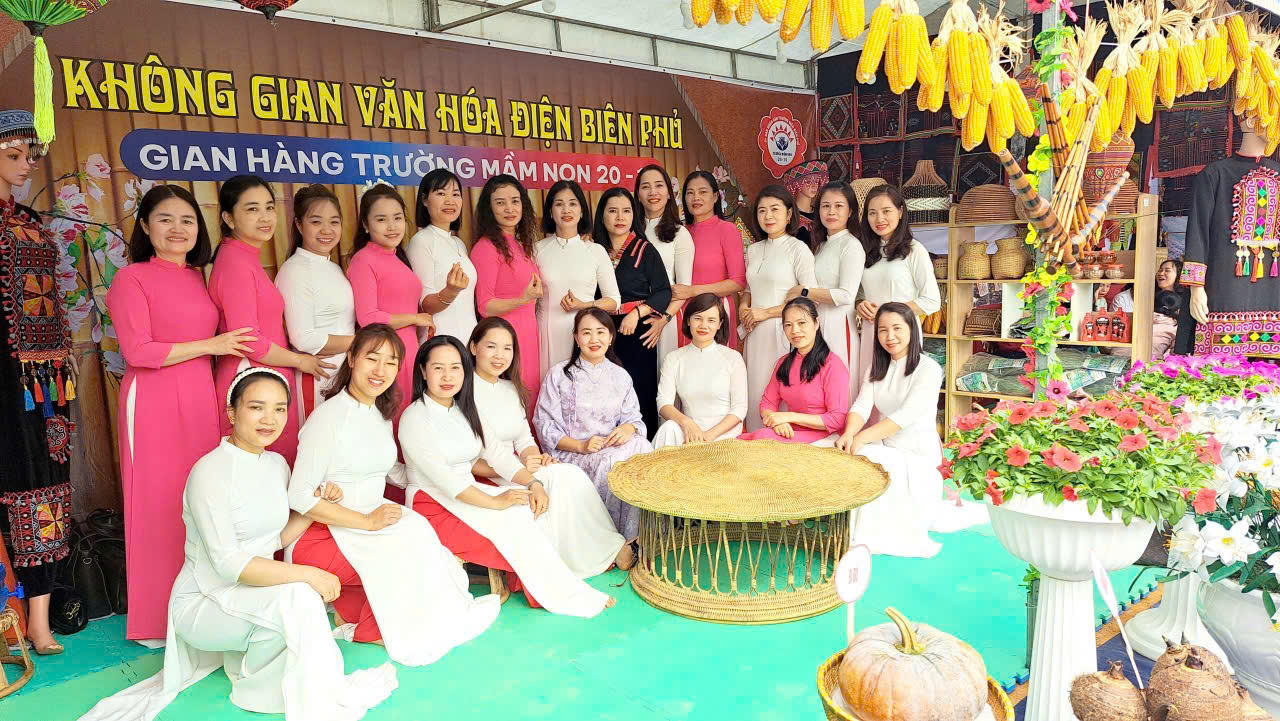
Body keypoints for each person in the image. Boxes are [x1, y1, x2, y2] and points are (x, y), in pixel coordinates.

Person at [77, 368, 397, 721]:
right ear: (232, 412)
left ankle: (269, 683)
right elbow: (228, 563)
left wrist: (316, 505)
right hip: (204, 600)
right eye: (257, 407)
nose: (269, 419)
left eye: (279, 409)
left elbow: (273, 539)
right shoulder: (209, 472)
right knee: (300, 595)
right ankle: (277, 694)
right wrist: (309, 574)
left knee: (299, 599)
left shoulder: (276, 464)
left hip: (248, 594)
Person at [288, 324, 500, 666]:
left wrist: (432, 478)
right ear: (352, 359)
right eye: (372, 358)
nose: (380, 370)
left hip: (369, 515)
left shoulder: (379, 415)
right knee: (404, 549)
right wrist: (367, 522)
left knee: (419, 532)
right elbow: (299, 496)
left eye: (390, 362)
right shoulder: (327, 419)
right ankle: (370, 628)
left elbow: (386, 470)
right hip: (324, 532)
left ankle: (378, 614)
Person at [106, 185, 249, 644]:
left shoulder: (197, 278)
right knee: (158, 504)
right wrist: (212, 345)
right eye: (165, 219)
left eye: (187, 220)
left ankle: (203, 608)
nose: (177, 229)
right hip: (152, 400)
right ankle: (155, 620)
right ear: (145, 227)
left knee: (199, 499)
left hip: (199, 398)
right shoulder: (131, 279)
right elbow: (138, 351)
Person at [400, 334, 618, 617]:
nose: (447, 376)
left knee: (530, 507)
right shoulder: (414, 418)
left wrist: (533, 482)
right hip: (433, 502)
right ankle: (556, 593)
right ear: (422, 371)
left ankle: (553, 586)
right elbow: (445, 479)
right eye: (438, 368)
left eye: (455, 367)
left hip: (466, 493)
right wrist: (496, 501)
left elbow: (499, 455)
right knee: (514, 514)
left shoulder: (465, 410)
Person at [469, 317, 633, 573]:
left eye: (507, 348)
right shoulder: (463, 391)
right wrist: (521, 466)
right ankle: (600, 555)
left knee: (571, 475)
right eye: (491, 346)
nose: (499, 355)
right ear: (473, 347)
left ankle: (609, 548)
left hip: (517, 466)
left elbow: (524, 438)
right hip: (490, 473)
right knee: (562, 479)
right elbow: (468, 458)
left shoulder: (510, 389)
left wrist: (535, 457)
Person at [0, 111, 72, 654]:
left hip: (44, 381)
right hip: (6, 374)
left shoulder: (29, 221)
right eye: (14, 155)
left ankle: (40, 622)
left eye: (30, 156)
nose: (26, 166)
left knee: (45, 486)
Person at [837, 303, 985, 558]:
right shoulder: (877, 368)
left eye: (897, 328)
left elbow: (905, 416)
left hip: (918, 457)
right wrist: (849, 433)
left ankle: (867, 536)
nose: (890, 336)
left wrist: (862, 437)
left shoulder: (928, 368)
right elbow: (861, 405)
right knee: (854, 454)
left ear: (912, 330)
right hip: (885, 445)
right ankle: (852, 531)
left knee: (869, 456)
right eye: (883, 330)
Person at [209, 175, 334, 466]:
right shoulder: (235, 263)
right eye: (252, 209)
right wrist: (300, 360)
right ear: (229, 218)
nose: (265, 217)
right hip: (252, 380)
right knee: (257, 468)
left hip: (266, 379)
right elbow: (248, 340)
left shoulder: (244, 257)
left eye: (269, 207)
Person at [535, 309, 653, 542]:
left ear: (610, 337)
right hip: (575, 453)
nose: (594, 339)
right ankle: (612, 541)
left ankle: (641, 537)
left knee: (644, 449)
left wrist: (628, 429)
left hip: (613, 447)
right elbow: (544, 424)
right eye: (587, 333)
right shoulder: (559, 375)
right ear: (576, 338)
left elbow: (633, 418)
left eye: (600, 332)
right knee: (611, 463)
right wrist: (581, 445)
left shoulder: (621, 375)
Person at [1178, 114, 1280, 356]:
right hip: (1222, 285)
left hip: (1273, 288)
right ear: (1247, 122)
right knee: (1215, 368)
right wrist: (1196, 288)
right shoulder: (1214, 174)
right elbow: (1198, 232)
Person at [346, 183, 433, 422]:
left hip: (409, 352)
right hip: (385, 356)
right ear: (366, 225)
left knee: (409, 421)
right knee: (393, 420)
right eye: (381, 219)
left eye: (397, 218)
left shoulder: (398, 258)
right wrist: (415, 318)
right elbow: (368, 318)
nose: (392, 226)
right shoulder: (363, 260)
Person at [593, 187, 671, 439]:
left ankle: (643, 446)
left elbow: (663, 291)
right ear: (602, 215)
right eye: (613, 211)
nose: (620, 217)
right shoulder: (592, 249)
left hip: (637, 331)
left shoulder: (645, 249)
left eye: (626, 211)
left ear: (634, 215)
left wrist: (637, 313)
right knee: (603, 391)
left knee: (639, 389)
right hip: (600, 331)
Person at [740, 185, 817, 431]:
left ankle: (782, 443)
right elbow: (749, 288)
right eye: (762, 211)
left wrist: (765, 313)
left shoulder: (798, 249)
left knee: (781, 388)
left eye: (775, 209)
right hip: (754, 331)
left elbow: (808, 298)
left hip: (783, 331)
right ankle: (756, 438)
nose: (768, 216)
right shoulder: (753, 250)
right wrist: (743, 307)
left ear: (789, 213)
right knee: (755, 388)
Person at [275, 184, 355, 420]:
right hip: (319, 377)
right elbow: (303, 337)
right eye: (316, 221)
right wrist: (361, 342)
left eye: (334, 222)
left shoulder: (333, 268)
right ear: (299, 225)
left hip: (346, 373)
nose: (326, 230)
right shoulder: (295, 271)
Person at [854, 184, 940, 383]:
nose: (879, 219)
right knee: (870, 387)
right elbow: (859, 291)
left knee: (898, 387)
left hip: (901, 333)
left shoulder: (914, 250)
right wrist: (859, 304)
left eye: (886, 211)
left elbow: (932, 301)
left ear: (900, 212)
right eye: (872, 213)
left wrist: (887, 311)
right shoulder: (865, 251)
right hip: (871, 332)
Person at [471, 174, 544, 405]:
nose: (509, 208)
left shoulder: (521, 246)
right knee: (513, 401)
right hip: (505, 341)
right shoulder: (486, 248)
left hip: (529, 336)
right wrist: (522, 299)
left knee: (529, 398)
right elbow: (485, 306)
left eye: (515, 201)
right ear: (489, 209)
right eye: (500, 202)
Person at [787, 182, 864, 396]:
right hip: (817, 324)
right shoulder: (821, 246)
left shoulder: (851, 245)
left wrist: (804, 292)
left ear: (850, 211)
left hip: (839, 325)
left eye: (839, 206)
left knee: (840, 387)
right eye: (825, 206)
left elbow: (847, 295)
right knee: (817, 386)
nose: (831, 212)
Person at [534, 179, 619, 373]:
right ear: (550, 212)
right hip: (546, 333)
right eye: (559, 204)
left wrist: (583, 305)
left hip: (587, 336)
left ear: (581, 211)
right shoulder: (537, 250)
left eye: (573, 203)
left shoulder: (595, 251)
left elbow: (614, 301)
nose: (566, 210)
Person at [738, 297, 849, 445]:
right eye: (788, 325)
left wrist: (789, 417)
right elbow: (767, 403)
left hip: (824, 438)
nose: (795, 330)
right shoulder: (783, 363)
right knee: (756, 438)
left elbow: (837, 419)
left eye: (801, 323)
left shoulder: (833, 365)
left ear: (816, 323)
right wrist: (777, 423)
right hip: (790, 434)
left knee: (760, 439)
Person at [654, 292, 748, 447]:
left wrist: (708, 436)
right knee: (668, 428)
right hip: (689, 433)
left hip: (724, 435)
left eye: (711, 320)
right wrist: (686, 423)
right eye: (697, 318)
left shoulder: (733, 358)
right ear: (688, 321)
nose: (703, 325)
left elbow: (739, 409)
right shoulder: (674, 358)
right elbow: (663, 402)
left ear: (719, 324)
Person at [676, 170, 747, 349]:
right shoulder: (680, 232)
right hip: (682, 311)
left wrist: (692, 291)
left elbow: (737, 282)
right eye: (690, 193)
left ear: (715, 197)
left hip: (716, 311)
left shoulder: (727, 230)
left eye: (703, 192)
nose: (696, 197)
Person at [406, 168, 477, 342]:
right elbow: (426, 305)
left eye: (455, 194)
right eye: (441, 193)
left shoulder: (458, 243)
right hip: (441, 341)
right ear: (425, 200)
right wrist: (451, 292)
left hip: (469, 338)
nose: (450, 201)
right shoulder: (421, 241)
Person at [635, 164, 694, 367]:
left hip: (665, 318)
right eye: (646, 187)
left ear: (669, 193)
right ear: (638, 195)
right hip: (631, 315)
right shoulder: (628, 231)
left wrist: (664, 319)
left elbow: (683, 288)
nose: (653, 192)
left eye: (659, 185)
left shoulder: (680, 234)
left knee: (664, 372)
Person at [1102, 258, 1184, 360]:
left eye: (1167, 270)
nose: (1161, 273)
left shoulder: (1185, 302)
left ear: (1179, 275)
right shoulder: (1147, 298)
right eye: (1160, 270)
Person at [781, 160, 830, 245]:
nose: (814, 186)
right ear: (796, 184)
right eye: (808, 182)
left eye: (816, 181)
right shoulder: (789, 216)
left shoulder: (821, 213)